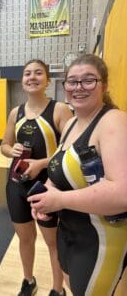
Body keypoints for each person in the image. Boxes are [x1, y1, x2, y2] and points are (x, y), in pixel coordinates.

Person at [28, 54, 127, 295]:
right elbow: (59, 167)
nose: (78, 88)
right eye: (72, 81)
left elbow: (122, 193)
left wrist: (59, 200)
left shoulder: (113, 122)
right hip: (69, 233)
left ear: (104, 84)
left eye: (88, 80)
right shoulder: (72, 123)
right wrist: (47, 191)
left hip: (102, 240)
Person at [1, 59, 73, 296]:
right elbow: (5, 145)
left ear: (48, 80)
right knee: (25, 238)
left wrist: (41, 163)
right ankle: (28, 280)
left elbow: (69, 149)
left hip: (46, 186)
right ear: (22, 81)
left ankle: (56, 288)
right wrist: (11, 151)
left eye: (38, 73)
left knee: (52, 242)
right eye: (27, 74)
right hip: (16, 185)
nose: (32, 77)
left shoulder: (60, 110)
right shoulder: (16, 112)